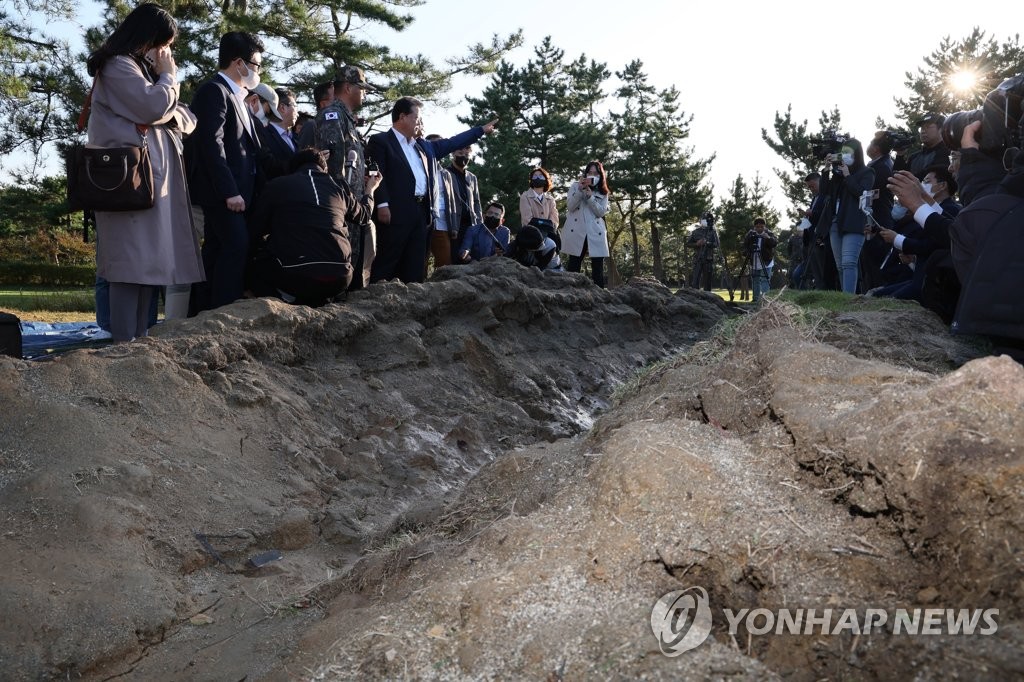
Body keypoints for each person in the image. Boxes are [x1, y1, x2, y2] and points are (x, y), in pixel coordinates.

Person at [85, 3, 203, 341]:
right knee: (128, 265)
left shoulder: (138, 69)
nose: (165, 52)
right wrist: (168, 79)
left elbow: (185, 117)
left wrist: (163, 102)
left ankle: (138, 343)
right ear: (146, 37)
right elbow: (153, 106)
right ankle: (125, 346)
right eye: (163, 43)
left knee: (147, 264)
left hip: (145, 181)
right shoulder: (117, 66)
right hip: (126, 181)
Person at [366, 96, 495, 283]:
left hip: (422, 213)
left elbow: (452, 142)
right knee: (388, 260)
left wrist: (480, 130)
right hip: (395, 211)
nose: (420, 122)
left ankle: (412, 303)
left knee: (416, 265)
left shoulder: (423, 146)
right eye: (417, 117)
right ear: (402, 117)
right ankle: (376, 302)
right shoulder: (381, 141)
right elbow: (375, 172)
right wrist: (382, 203)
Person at [188, 30, 266, 311]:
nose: (258, 71)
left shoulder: (240, 98)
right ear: (238, 63)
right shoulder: (214, 91)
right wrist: (229, 191)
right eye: (256, 65)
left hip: (240, 194)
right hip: (223, 194)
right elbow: (211, 144)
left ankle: (199, 313)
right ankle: (223, 312)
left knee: (215, 251)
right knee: (235, 246)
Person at [247, 148, 380, 305]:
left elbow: (254, 231)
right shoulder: (339, 188)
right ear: (325, 168)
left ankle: (282, 301)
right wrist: (370, 189)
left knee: (255, 262)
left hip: (296, 275)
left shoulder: (277, 185)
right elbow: (364, 215)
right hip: (340, 276)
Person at [314, 67, 376, 288]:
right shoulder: (333, 116)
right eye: (362, 89)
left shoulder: (348, 120)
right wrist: (347, 206)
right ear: (349, 87)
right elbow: (333, 170)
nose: (364, 94)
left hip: (353, 209)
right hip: (342, 211)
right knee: (339, 273)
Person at [819, 137, 874, 294]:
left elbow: (862, 194)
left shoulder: (867, 172)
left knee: (849, 262)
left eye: (848, 152)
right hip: (835, 223)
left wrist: (848, 176)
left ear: (857, 154)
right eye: (842, 152)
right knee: (840, 265)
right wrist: (827, 169)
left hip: (854, 222)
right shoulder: (838, 173)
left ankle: (849, 299)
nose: (844, 156)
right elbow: (824, 191)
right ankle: (846, 297)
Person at [563, 160, 611, 288]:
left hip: (595, 231)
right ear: (585, 174)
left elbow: (601, 212)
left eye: (596, 173)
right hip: (577, 230)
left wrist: (591, 197)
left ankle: (600, 298)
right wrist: (580, 190)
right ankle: (570, 293)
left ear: (601, 175)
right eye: (589, 172)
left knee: (598, 269)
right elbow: (570, 206)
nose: (592, 175)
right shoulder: (575, 186)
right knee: (573, 265)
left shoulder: (603, 192)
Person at [895, 113, 951, 180]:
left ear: (941, 130)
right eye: (922, 128)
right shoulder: (914, 157)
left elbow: (932, 177)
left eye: (928, 127)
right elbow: (897, 178)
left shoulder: (949, 153)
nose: (923, 131)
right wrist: (900, 155)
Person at [447, 145, 483, 242]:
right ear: (453, 154)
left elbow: (476, 202)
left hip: (471, 225)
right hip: (453, 225)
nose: (464, 157)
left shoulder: (472, 177)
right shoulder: (445, 174)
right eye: (460, 153)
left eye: (467, 154)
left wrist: (480, 225)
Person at [742, 217, 777, 304]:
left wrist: (768, 238)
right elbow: (744, 246)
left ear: (764, 226)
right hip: (754, 260)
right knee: (755, 279)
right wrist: (747, 253)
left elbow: (774, 243)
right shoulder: (750, 234)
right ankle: (755, 299)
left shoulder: (769, 233)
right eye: (757, 227)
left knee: (765, 279)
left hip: (766, 261)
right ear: (754, 227)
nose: (759, 229)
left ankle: (765, 300)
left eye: (761, 227)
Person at [687, 211, 719, 291]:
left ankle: (708, 296)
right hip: (697, 258)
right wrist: (697, 244)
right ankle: (694, 296)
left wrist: (707, 243)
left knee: (708, 281)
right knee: (695, 280)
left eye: (706, 219)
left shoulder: (713, 232)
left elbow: (716, 244)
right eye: (703, 219)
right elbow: (688, 244)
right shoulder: (695, 232)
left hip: (708, 259)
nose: (704, 221)